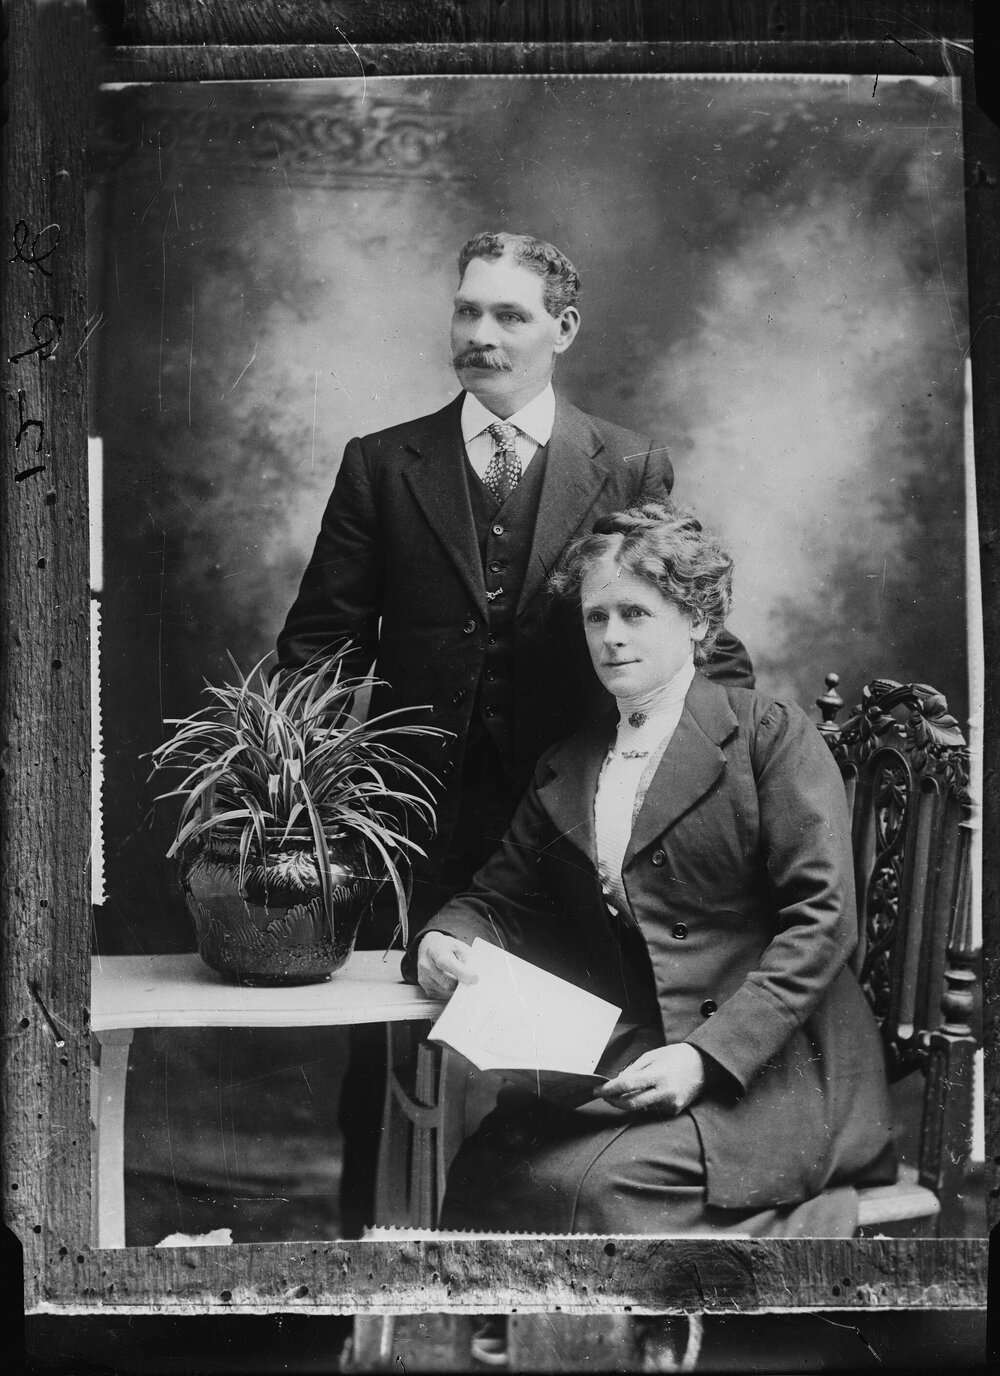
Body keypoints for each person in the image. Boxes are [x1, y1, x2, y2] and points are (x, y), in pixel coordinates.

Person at [276, 232, 753, 1235]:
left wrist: (740, 757)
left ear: (562, 330)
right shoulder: (382, 464)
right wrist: (291, 799)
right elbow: (314, 651)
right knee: (388, 1066)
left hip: (570, 827)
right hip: (408, 827)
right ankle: (374, 1271)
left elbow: (692, 638)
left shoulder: (624, 462)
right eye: (467, 311)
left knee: (567, 1060)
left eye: (509, 315)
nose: (479, 335)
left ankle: (529, 1273)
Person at [405, 502, 897, 1236]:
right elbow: (497, 899)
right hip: (637, 1057)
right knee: (487, 1170)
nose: (611, 637)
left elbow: (824, 923)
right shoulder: (570, 763)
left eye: (635, 613)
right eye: (596, 618)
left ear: (696, 621)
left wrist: (705, 1058)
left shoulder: (767, 737)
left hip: (773, 1069)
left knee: (588, 1195)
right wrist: (441, 940)